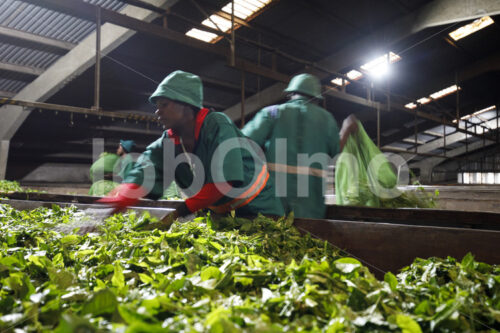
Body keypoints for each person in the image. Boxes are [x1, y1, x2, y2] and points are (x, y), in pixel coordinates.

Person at [98, 70, 284, 223]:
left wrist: (176, 214)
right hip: (223, 216)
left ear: (186, 105)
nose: (157, 111)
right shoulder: (169, 141)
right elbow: (147, 167)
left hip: (260, 210)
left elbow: (223, 182)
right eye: (157, 106)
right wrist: (122, 196)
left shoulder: (217, 125)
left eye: (164, 104)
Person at [242, 73, 358, 219]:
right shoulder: (327, 120)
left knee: (272, 236)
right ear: (316, 98)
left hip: (273, 202)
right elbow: (335, 153)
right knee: (306, 239)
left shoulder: (272, 113)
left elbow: (243, 144)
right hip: (311, 206)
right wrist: (346, 130)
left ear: (291, 94)